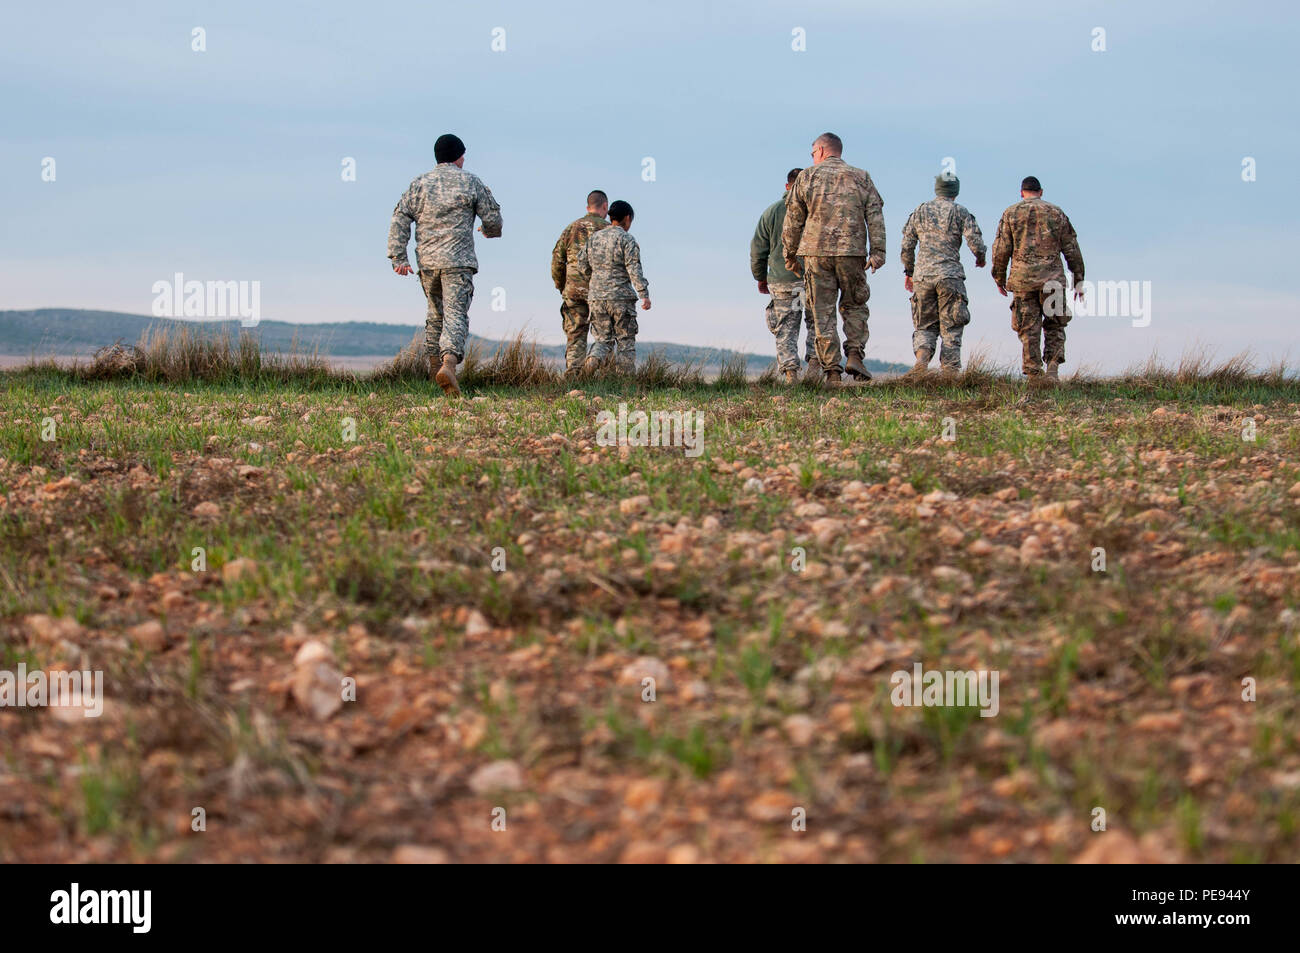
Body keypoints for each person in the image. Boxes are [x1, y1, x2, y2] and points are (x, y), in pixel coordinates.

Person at [387, 133, 502, 396]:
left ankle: (432, 371)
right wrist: (487, 229)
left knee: (434, 315)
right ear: (459, 157)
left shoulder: (419, 184)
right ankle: (448, 364)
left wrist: (398, 257)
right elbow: (493, 220)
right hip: (458, 262)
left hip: (427, 263)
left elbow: (400, 218)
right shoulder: (471, 181)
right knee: (455, 315)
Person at [782, 132, 886, 383]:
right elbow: (875, 215)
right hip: (852, 252)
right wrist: (878, 252)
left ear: (820, 150)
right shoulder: (861, 177)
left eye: (812, 153)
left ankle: (832, 372)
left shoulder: (806, 177)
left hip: (816, 253)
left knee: (822, 312)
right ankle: (854, 355)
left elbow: (793, 219)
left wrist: (790, 255)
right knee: (855, 305)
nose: (812, 157)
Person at [991, 176, 1085, 379]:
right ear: (1041, 192)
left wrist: (999, 277)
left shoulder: (1011, 213)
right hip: (1052, 280)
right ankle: (1052, 367)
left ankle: (1034, 374)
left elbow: (1001, 249)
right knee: (1055, 324)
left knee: (1028, 328)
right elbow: (1072, 248)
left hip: (1023, 281)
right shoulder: (1056, 213)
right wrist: (1079, 279)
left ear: (1021, 193)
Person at [900, 174, 986, 374]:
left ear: (937, 189)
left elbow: (907, 245)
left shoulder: (920, 211)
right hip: (949, 276)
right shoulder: (960, 212)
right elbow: (976, 242)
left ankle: (921, 361)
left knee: (924, 325)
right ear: (955, 191)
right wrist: (980, 258)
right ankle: (949, 372)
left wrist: (909, 271)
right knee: (952, 327)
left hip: (923, 276)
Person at [751, 168, 818, 383]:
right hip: (812, 279)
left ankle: (791, 374)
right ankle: (815, 368)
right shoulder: (816, 211)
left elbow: (758, 249)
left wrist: (760, 276)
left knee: (786, 328)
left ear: (787, 186)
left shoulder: (771, 212)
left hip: (782, 280)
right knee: (816, 323)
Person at [576, 200, 651, 373]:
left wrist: (596, 280)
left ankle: (591, 364)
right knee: (625, 342)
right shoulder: (627, 239)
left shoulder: (594, 238)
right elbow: (634, 269)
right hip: (621, 299)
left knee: (602, 340)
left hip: (596, 298)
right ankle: (625, 385)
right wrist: (644, 294)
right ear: (627, 218)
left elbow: (581, 264)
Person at [550, 191, 611, 376]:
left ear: (587, 207)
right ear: (606, 207)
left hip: (574, 290)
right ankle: (594, 366)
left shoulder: (571, 228)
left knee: (575, 333)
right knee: (604, 334)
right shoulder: (610, 231)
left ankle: (574, 376)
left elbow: (557, 261)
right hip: (601, 292)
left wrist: (562, 285)